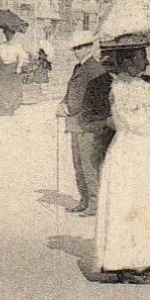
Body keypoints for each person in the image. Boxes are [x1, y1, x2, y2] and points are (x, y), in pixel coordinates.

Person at [93, 36, 150, 283]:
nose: (145, 60)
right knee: (133, 206)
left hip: (148, 153)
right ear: (128, 61)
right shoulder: (121, 88)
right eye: (140, 55)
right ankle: (130, 265)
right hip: (131, 154)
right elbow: (132, 123)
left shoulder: (142, 85)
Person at [59, 31, 106, 216]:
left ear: (89, 47)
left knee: (89, 164)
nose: (77, 51)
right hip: (75, 123)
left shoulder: (96, 69)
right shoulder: (78, 68)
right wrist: (63, 103)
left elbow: (95, 100)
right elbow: (71, 90)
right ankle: (84, 199)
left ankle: (94, 203)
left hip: (87, 124)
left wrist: (72, 109)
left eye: (80, 47)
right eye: (75, 48)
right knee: (78, 164)